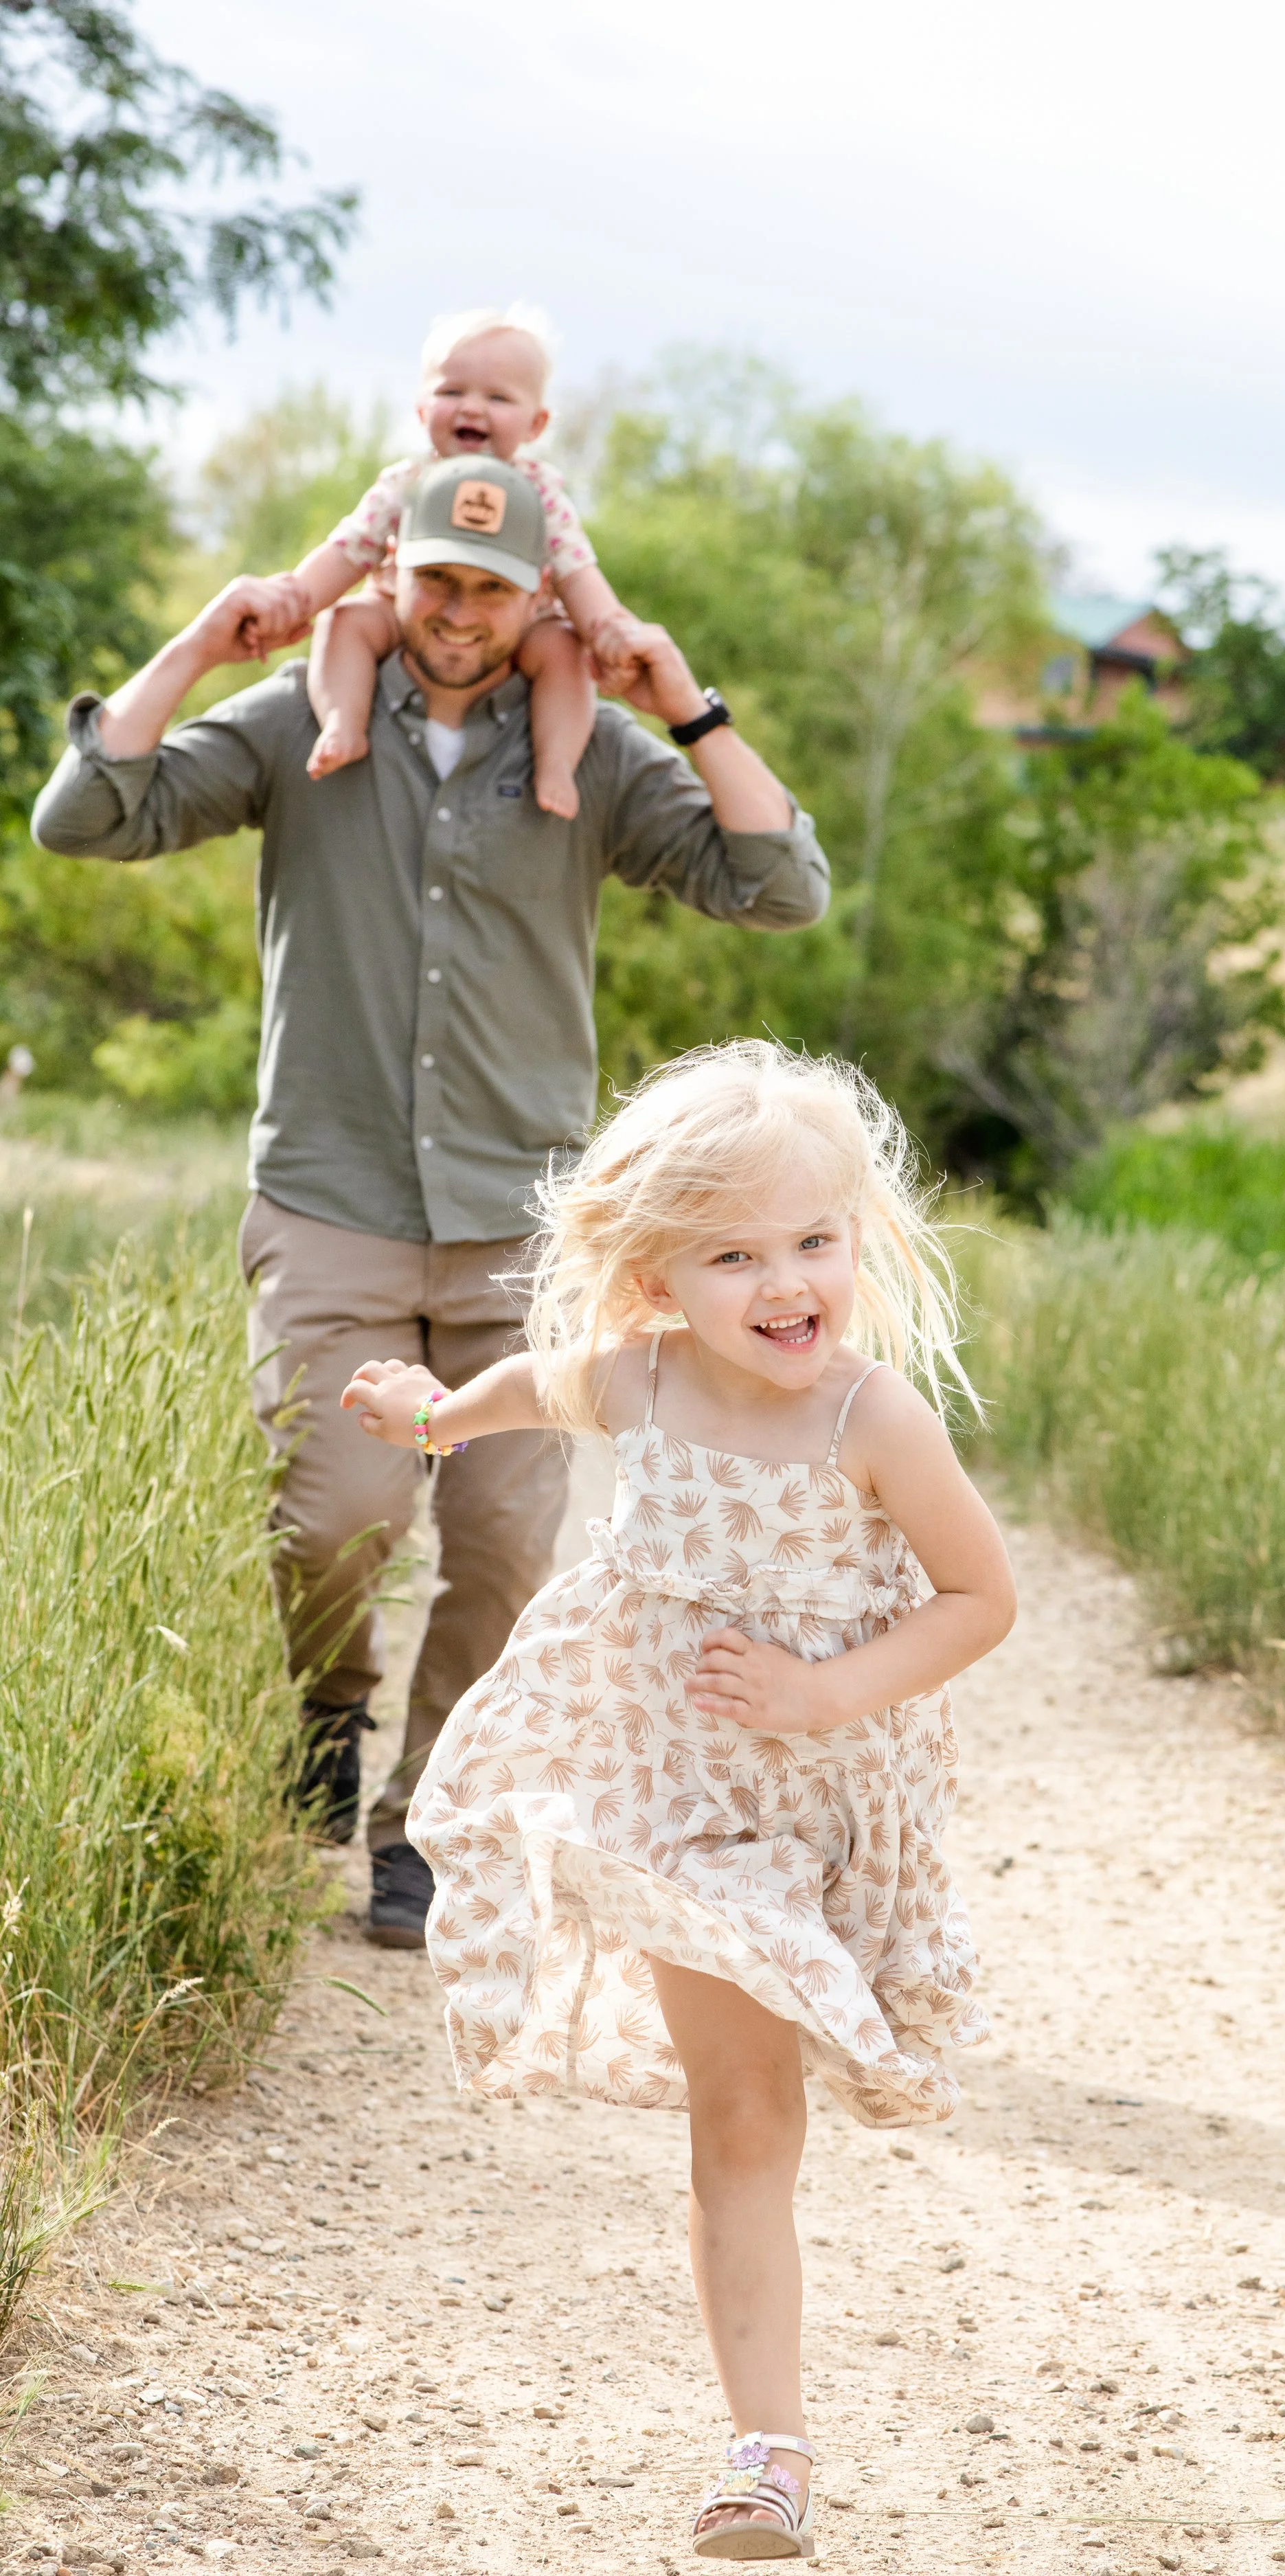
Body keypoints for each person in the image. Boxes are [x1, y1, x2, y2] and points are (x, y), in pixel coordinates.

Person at [31, 463, 832, 1950]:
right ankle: (326, 1712)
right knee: (332, 1518)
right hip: (330, 1196)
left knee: (506, 1545)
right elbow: (87, 816)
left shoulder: (592, 759)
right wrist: (212, 639)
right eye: (434, 583)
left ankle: (423, 1826)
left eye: (488, 589)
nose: (459, 616)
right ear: (393, 579)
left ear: (534, 596)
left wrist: (684, 700)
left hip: (524, 1223)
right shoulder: (296, 728)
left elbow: (778, 884)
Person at [339, 1041, 1017, 2560]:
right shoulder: (638, 1375)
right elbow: (533, 1383)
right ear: (655, 1273)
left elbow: (980, 1599)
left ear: (856, 1241)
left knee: (787, 2090)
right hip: (671, 1794)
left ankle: (763, 2432)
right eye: (733, 1254)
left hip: (827, 1789)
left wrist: (824, 1690)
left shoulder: (871, 1422)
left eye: (812, 1243)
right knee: (746, 2104)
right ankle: (764, 2451)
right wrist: (436, 1417)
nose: (785, 1283)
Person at [249, 303, 641, 817]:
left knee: (565, 651)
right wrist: (293, 601)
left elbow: (575, 572)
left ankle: (556, 764)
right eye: (451, 392)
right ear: (420, 409)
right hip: (405, 612)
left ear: (536, 423)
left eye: (498, 397)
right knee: (345, 620)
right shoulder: (406, 486)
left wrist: (610, 632)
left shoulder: (540, 495)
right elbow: (349, 551)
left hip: (518, 625)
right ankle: (343, 723)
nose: (472, 409)